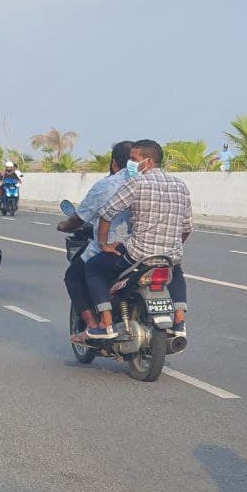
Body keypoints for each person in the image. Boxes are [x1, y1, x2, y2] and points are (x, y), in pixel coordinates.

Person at [79, 140, 192, 341]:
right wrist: (171, 246)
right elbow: (187, 228)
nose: (130, 164)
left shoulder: (137, 182)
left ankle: (106, 324)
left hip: (136, 256)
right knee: (177, 271)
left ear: (148, 162)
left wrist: (104, 244)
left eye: (133, 159)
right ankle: (179, 322)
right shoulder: (180, 185)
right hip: (167, 257)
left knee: (93, 269)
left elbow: (107, 213)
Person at [57, 140, 134, 329]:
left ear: (115, 163)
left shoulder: (108, 185)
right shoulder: (153, 183)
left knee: (74, 275)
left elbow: (80, 218)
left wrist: (64, 226)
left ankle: (94, 325)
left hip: (116, 248)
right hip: (148, 249)